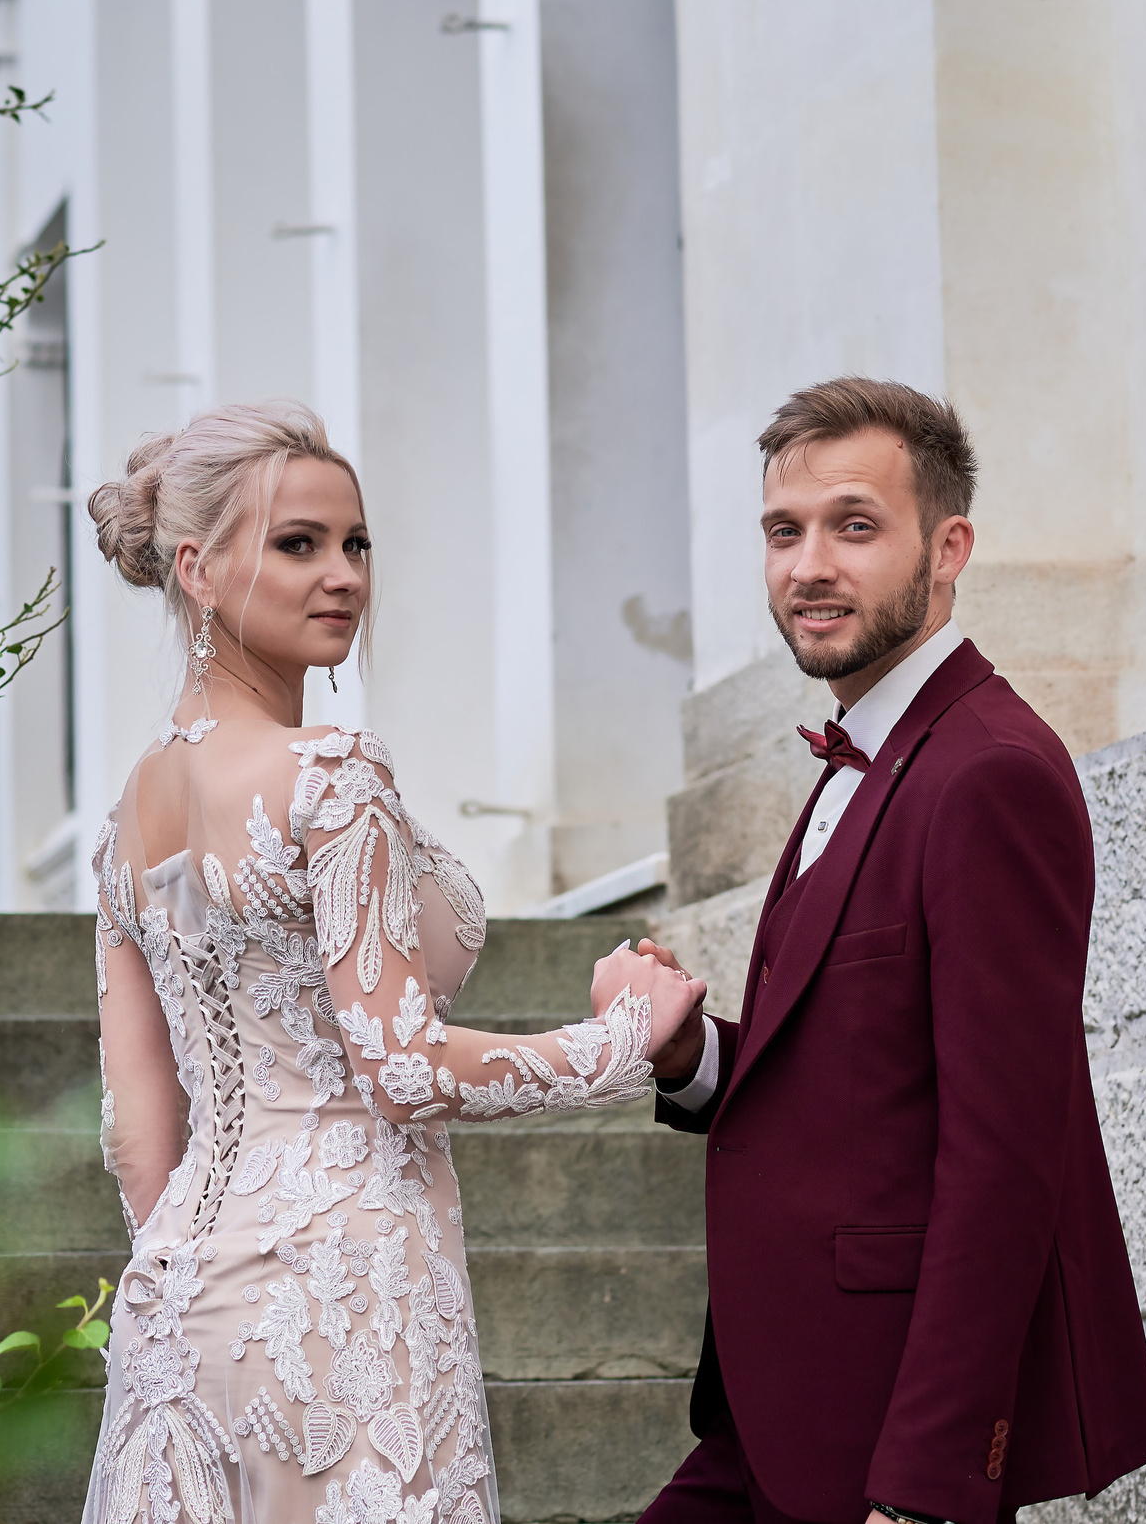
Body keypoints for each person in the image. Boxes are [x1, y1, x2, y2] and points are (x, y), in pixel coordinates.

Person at [79, 399, 706, 1524]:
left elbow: (137, 1132)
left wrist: (197, 1278)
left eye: (355, 542)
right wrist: (624, 1039)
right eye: (298, 543)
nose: (343, 576)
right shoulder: (331, 770)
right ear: (197, 569)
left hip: (177, 1295)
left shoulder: (130, 812)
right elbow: (404, 1071)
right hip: (346, 1287)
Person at [605, 380, 1146, 1524]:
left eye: (853, 525)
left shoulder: (988, 771)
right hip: (778, 1406)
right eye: (784, 530)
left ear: (948, 547)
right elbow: (852, 1080)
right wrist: (687, 1055)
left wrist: (926, 1489)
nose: (809, 565)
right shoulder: (868, 752)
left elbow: (1005, 1160)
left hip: (881, 1436)